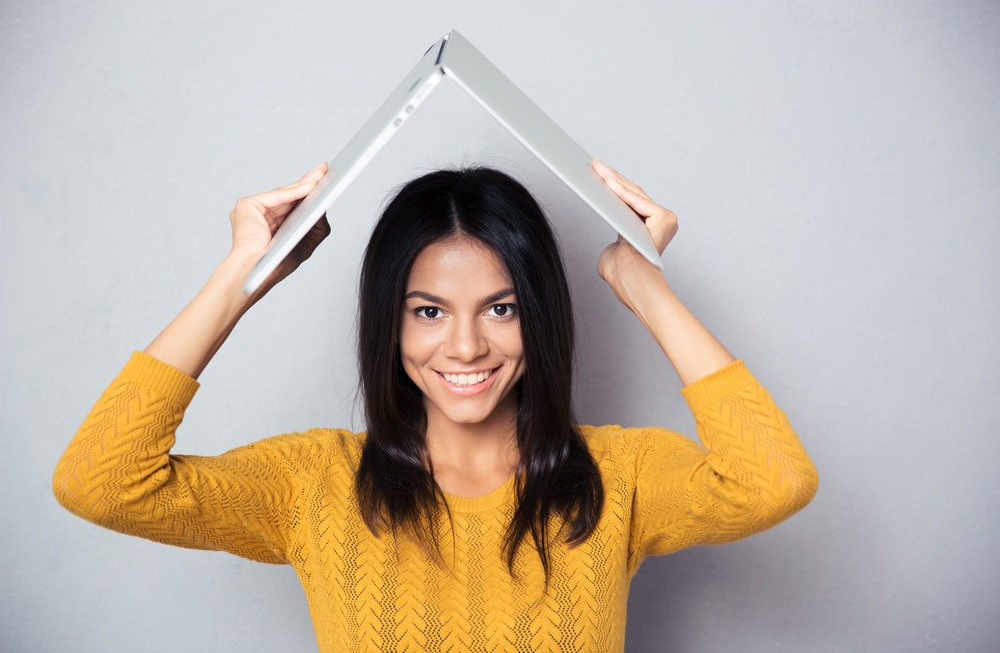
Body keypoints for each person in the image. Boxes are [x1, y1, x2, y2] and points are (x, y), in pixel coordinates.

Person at [53, 160, 818, 652]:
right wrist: (240, 277)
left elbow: (774, 479)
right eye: (427, 311)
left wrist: (641, 282)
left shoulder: (617, 475)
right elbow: (99, 481)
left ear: (541, 313)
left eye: (501, 308)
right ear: (388, 319)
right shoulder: (314, 483)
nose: (464, 347)